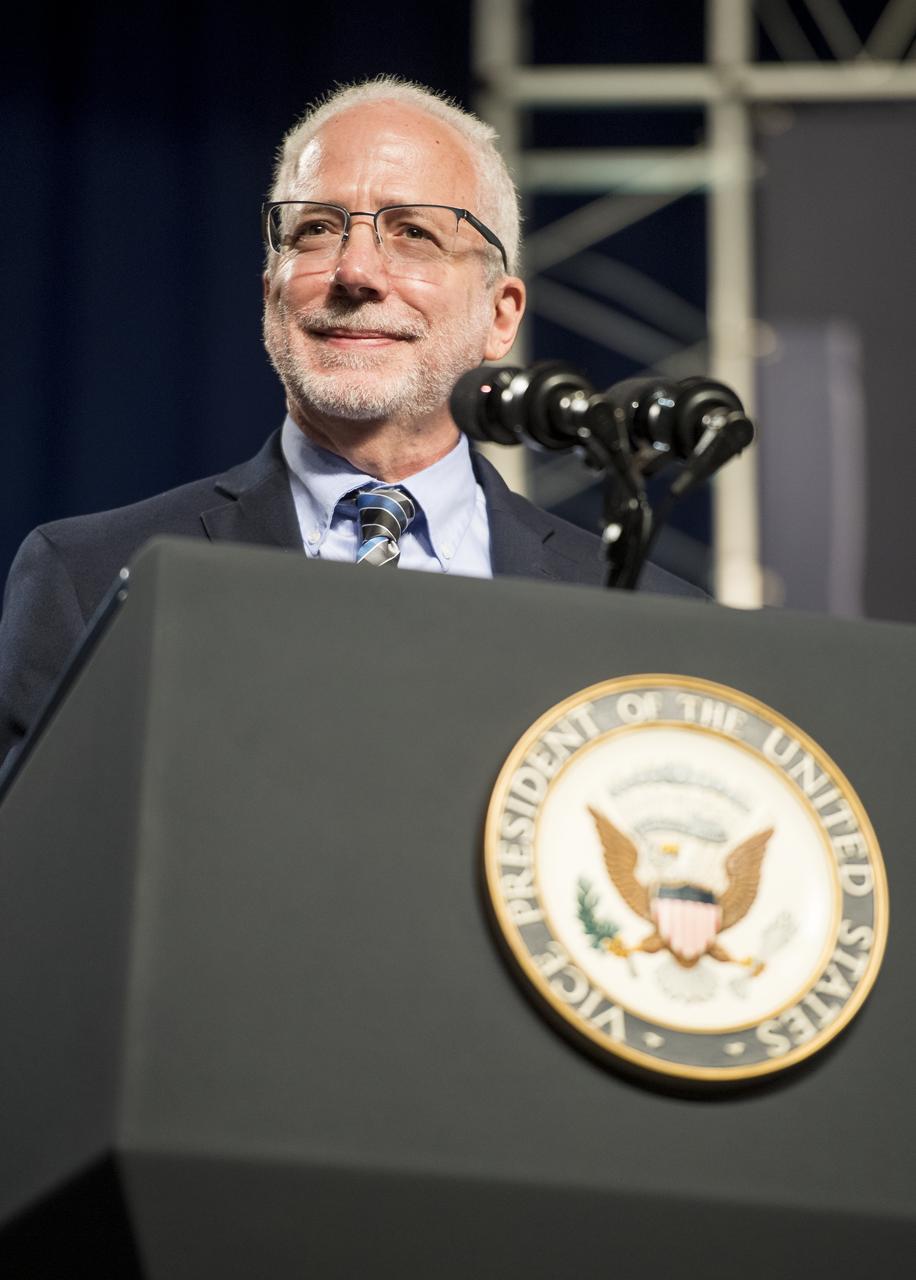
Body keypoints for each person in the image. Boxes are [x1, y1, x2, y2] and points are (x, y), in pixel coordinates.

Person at [0, 77, 703, 767]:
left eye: (415, 233)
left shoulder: (658, 617)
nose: (356, 270)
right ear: (271, 289)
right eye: (315, 229)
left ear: (500, 314)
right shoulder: (88, 579)